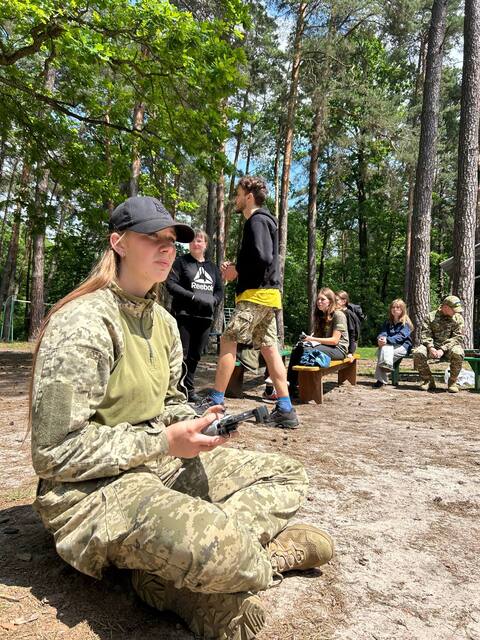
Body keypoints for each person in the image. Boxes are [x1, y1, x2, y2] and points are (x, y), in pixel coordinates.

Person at [29, 195, 334, 640]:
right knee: (223, 546)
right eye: (152, 238)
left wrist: (196, 422)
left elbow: (169, 401)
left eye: (171, 240)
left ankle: (168, 574)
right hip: (92, 488)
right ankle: (241, 562)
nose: (166, 248)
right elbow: (53, 451)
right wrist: (162, 442)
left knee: (288, 475)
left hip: (160, 463)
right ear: (118, 243)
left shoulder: (164, 323)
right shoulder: (84, 322)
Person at [197, 176, 298, 429]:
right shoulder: (264, 221)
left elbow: (262, 257)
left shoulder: (257, 220)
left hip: (256, 296)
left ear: (249, 196)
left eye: (239, 194)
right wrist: (236, 266)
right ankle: (286, 409)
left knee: (228, 340)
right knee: (270, 349)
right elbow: (262, 257)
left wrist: (237, 270)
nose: (236, 199)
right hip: (267, 296)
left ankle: (215, 401)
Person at [166, 230, 223, 403]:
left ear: (205, 244)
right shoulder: (181, 262)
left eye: (199, 241)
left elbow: (219, 290)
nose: (195, 244)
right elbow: (171, 284)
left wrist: (213, 301)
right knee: (181, 354)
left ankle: (189, 389)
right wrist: (192, 296)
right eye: (192, 241)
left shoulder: (212, 268)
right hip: (184, 315)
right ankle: (174, 389)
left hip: (205, 318)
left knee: (195, 355)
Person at [287, 287, 349, 397]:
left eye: (322, 299)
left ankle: (298, 387)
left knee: (305, 350)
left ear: (330, 301)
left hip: (339, 349)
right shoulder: (321, 315)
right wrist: (308, 339)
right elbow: (318, 337)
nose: (319, 302)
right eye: (318, 299)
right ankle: (291, 386)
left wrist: (312, 340)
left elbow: (335, 341)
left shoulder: (338, 315)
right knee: (298, 348)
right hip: (326, 347)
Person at [412, 295, 465, 393]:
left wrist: (443, 349)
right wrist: (431, 347)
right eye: (454, 309)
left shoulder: (458, 318)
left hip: (449, 347)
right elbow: (425, 334)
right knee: (418, 352)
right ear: (446, 307)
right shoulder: (430, 317)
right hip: (432, 346)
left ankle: (452, 382)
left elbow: (458, 337)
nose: (456, 312)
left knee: (458, 353)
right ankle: (428, 380)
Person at [373, 299, 413, 388]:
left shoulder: (406, 323)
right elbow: (383, 332)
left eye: (398, 307)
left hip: (403, 346)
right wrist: (381, 339)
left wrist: (387, 340)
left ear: (402, 309)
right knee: (383, 351)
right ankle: (384, 372)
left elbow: (401, 336)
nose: (395, 309)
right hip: (389, 345)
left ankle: (381, 380)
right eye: (393, 307)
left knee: (382, 353)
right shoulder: (388, 322)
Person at [335, 290, 364, 356]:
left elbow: (352, 333)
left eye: (336, 300)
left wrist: (351, 352)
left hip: (349, 346)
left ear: (344, 301)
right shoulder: (338, 313)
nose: (334, 302)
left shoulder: (348, 313)